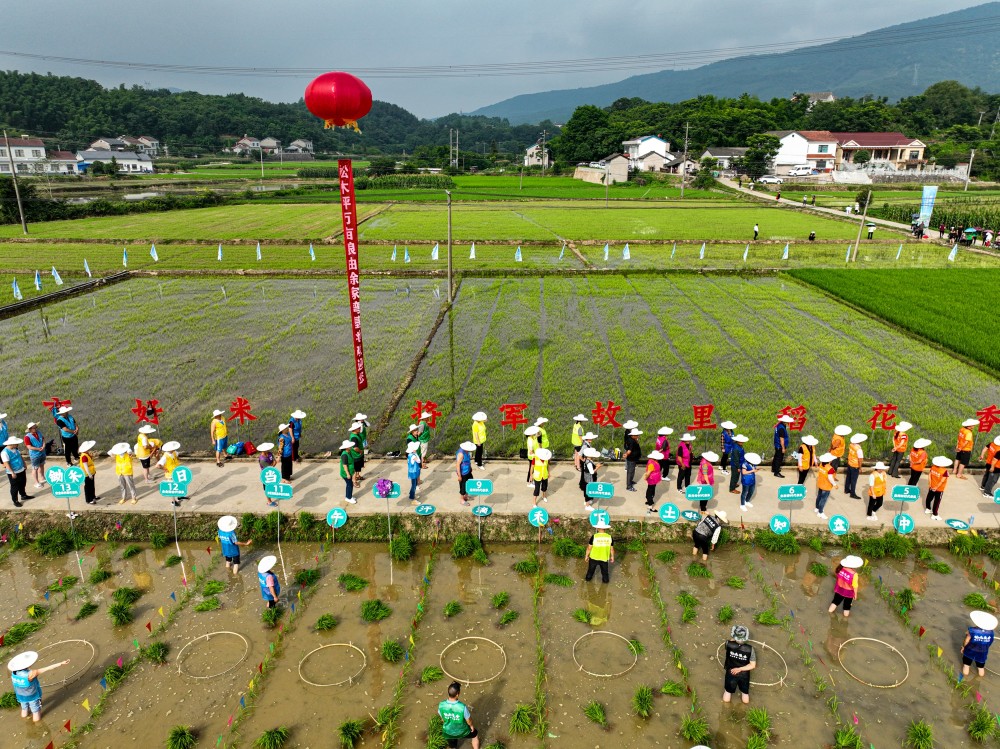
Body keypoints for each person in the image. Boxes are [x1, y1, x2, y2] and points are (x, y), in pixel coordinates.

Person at [7, 651, 70, 723]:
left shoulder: (14, 673)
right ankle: (37, 725)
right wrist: (61, 663)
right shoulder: (32, 673)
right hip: (32, 696)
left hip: (20, 695)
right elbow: (47, 668)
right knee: (36, 710)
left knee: (24, 708)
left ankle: (24, 720)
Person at [438, 682, 481, 749]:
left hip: (448, 731)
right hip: (462, 731)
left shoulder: (441, 705)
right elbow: (469, 721)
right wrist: (471, 726)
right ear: (457, 694)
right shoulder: (462, 707)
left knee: (452, 746)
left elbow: (443, 719)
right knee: (475, 735)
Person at [722, 624, 756, 705]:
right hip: (744, 674)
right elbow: (752, 665)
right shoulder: (750, 649)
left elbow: (731, 641)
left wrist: (734, 639)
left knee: (727, 691)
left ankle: (725, 707)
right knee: (745, 693)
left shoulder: (728, 644)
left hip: (731, 672)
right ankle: (744, 707)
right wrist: (740, 669)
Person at [963, 611, 999, 678]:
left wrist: (963, 647)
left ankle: (965, 678)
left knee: (966, 665)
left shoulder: (972, 630)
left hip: (970, 650)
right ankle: (980, 679)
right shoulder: (991, 633)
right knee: (981, 668)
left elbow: (966, 641)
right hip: (983, 652)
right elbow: (990, 642)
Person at [2, 436, 32, 506]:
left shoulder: (15, 449)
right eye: (16, 443)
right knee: (14, 487)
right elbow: (6, 463)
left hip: (21, 469)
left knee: (23, 483)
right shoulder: (4, 452)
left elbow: (20, 456)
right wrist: (12, 472)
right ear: (11, 444)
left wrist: (24, 463)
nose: (17, 445)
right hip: (13, 472)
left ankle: (23, 495)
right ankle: (15, 500)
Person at [584, 519, 614, 584]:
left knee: (590, 572)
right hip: (604, 558)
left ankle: (587, 581)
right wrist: (612, 557)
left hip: (594, 558)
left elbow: (589, 548)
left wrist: (586, 556)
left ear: (597, 528)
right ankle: (605, 585)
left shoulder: (594, 536)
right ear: (605, 528)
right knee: (605, 574)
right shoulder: (609, 537)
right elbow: (611, 549)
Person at [925, 455, 951, 520]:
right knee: (937, 501)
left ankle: (928, 508)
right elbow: (942, 480)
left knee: (929, 498)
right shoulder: (945, 471)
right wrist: (936, 487)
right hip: (939, 489)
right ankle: (934, 514)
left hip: (931, 486)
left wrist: (930, 484)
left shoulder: (933, 467)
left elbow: (929, 476)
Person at [814, 452, 837, 519]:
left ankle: (817, 508)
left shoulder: (821, 464)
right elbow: (830, 478)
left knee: (819, 496)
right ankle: (820, 512)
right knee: (823, 499)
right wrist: (834, 484)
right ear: (830, 460)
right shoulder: (830, 469)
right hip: (826, 486)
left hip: (820, 483)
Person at [24, 422, 46, 489]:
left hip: (42, 452)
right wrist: (38, 449)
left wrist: (43, 446)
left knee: (42, 465)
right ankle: (36, 482)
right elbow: (29, 447)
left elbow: (43, 440)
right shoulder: (27, 437)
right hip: (35, 455)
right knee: (35, 468)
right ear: (30, 429)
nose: (36, 428)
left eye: (36, 427)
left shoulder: (38, 432)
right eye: (34, 428)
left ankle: (42, 477)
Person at [255, 441, 278, 507]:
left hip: (271, 472)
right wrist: (274, 463)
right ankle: (269, 501)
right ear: (263, 450)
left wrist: (274, 463)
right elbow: (270, 467)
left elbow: (274, 462)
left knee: (271, 486)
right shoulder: (262, 459)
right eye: (267, 449)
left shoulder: (270, 453)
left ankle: (271, 497)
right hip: (266, 475)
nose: (268, 450)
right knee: (267, 488)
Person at [845, 433, 866, 500]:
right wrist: (860, 468)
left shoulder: (851, 445)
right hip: (855, 466)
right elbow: (860, 460)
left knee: (848, 477)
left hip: (849, 463)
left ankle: (846, 489)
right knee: (854, 480)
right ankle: (852, 493)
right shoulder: (859, 449)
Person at [79, 440, 98, 504]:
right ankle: (89, 499)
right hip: (87, 474)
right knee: (88, 487)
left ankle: (93, 496)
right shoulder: (84, 456)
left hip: (91, 472)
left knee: (92, 486)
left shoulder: (86, 454)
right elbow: (85, 466)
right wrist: (89, 475)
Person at [457, 440, 475, 507]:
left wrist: (470, 467)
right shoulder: (461, 454)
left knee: (470, 482)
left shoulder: (467, 452)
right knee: (463, 486)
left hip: (468, 471)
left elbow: (468, 461)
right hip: (463, 473)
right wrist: (459, 476)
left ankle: (466, 496)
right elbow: (457, 465)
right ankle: (462, 499)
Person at [624, 427, 642, 492]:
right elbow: (629, 450)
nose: (638, 436)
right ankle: (629, 486)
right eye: (637, 435)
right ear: (633, 435)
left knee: (632, 471)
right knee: (630, 472)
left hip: (633, 459)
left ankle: (631, 481)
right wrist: (626, 454)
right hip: (631, 459)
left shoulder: (633, 440)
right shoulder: (631, 442)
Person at [339, 439, 356, 504]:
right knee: (349, 485)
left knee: (349, 484)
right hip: (346, 473)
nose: (351, 447)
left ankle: (349, 496)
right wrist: (348, 474)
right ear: (346, 447)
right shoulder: (344, 455)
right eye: (349, 446)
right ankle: (348, 498)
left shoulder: (349, 452)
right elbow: (344, 465)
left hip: (350, 471)